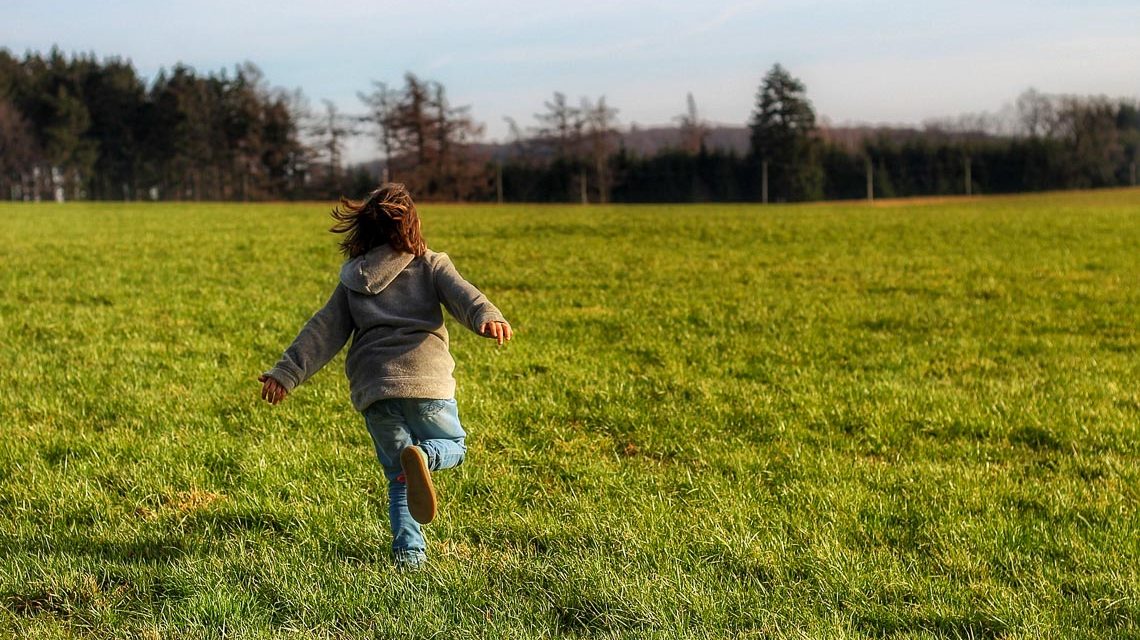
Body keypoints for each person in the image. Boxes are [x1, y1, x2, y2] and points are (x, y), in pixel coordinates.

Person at [257, 183, 512, 570]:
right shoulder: (430, 263)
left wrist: (286, 373)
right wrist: (488, 317)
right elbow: (465, 295)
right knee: (454, 447)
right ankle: (426, 456)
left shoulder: (352, 279)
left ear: (364, 229)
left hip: (374, 389)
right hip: (425, 380)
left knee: (399, 477)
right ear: (411, 225)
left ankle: (409, 557)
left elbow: (322, 331)